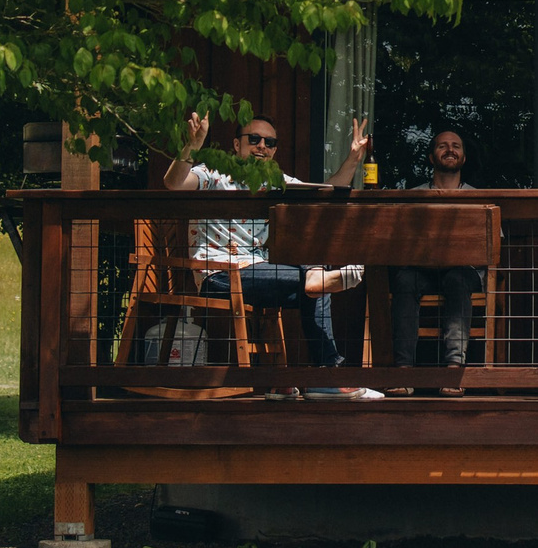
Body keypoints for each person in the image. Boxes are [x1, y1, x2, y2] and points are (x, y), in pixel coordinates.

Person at [164, 109, 382, 399]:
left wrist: (355, 156)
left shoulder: (276, 181)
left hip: (259, 272)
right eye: (254, 139)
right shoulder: (212, 174)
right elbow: (173, 183)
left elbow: (326, 190)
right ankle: (328, 377)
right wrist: (192, 144)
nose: (261, 146)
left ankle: (320, 376)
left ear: (275, 150)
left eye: (269, 142)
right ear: (236, 144)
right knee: (315, 283)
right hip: (218, 276)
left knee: (314, 287)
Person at [387, 126, 486, 394]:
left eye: (456, 145)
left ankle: (454, 371)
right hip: (422, 270)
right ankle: (403, 374)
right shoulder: (414, 196)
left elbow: (491, 243)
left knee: (457, 279)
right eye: (442, 146)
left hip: (462, 271)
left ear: (464, 158)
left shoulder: (478, 199)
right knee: (404, 279)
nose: (450, 150)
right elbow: (399, 241)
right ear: (432, 157)